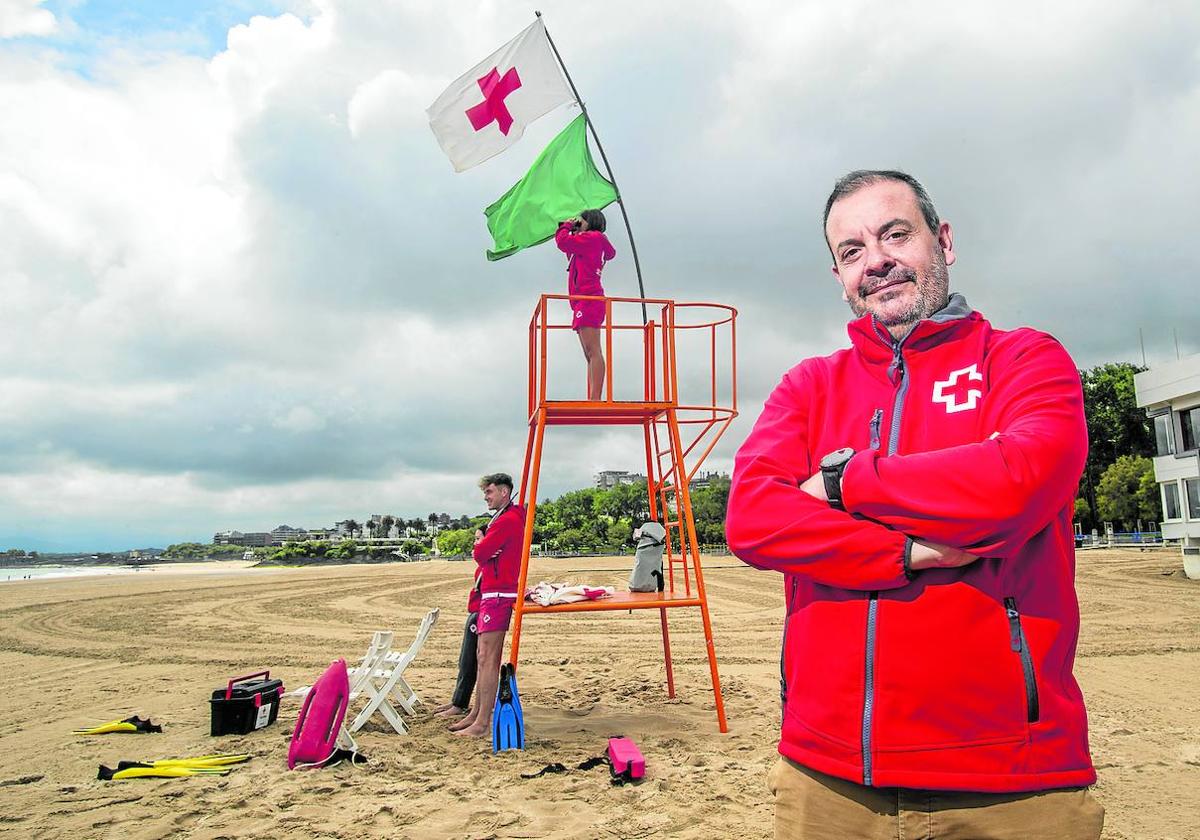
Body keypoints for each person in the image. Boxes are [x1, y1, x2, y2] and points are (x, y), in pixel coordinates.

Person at [725, 170, 1103, 839]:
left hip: (1009, 785)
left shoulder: (1023, 360)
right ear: (839, 276)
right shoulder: (809, 386)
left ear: (943, 241)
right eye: (851, 251)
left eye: (895, 234)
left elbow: (1016, 484)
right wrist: (906, 553)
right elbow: (753, 519)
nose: (875, 260)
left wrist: (845, 483)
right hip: (827, 779)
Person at [449, 472, 526, 737]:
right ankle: (475, 714)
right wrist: (485, 546)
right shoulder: (505, 518)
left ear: (504, 492)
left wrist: (482, 544)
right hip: (493, 592)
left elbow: (481, 554)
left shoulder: (508, 520)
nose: (486, 497)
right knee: (482, 657)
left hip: (499, 593)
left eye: (489, 492)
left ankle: (482, 722)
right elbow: (485, 554)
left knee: (489, 658)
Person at [555, 208, 616, 401]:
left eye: (580, 221)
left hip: (589, 300)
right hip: (584, 301)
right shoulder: (590, 242)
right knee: (589, 353)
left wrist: (566, 226)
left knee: (593, 351)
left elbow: (563, 243)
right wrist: (574, 230)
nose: (577, 224)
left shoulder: (593, 238)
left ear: (590, 222)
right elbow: (569, 248)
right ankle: (593, 397)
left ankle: (595, 398)